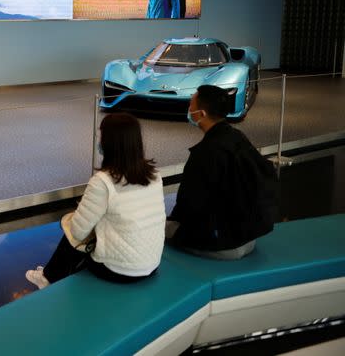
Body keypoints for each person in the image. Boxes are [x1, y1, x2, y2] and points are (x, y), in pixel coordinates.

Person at [25, 113, 165, 289]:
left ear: (109, 142)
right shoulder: (154, 175)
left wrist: (71, 219)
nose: (98, 139)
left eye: (101, 135)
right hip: (151, 264)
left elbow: (77, 231)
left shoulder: (103, 181)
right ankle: (50, 273)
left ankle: (48, 278)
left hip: (119, 270)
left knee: (72, 227)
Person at [166, 85, 278, 260]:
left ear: (201, 114)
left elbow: (188, 206)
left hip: (224, 244)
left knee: (162, 224)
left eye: (191, 105)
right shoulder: (238, 137)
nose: (189, 109)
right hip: (248, 238)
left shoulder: (205, 153)